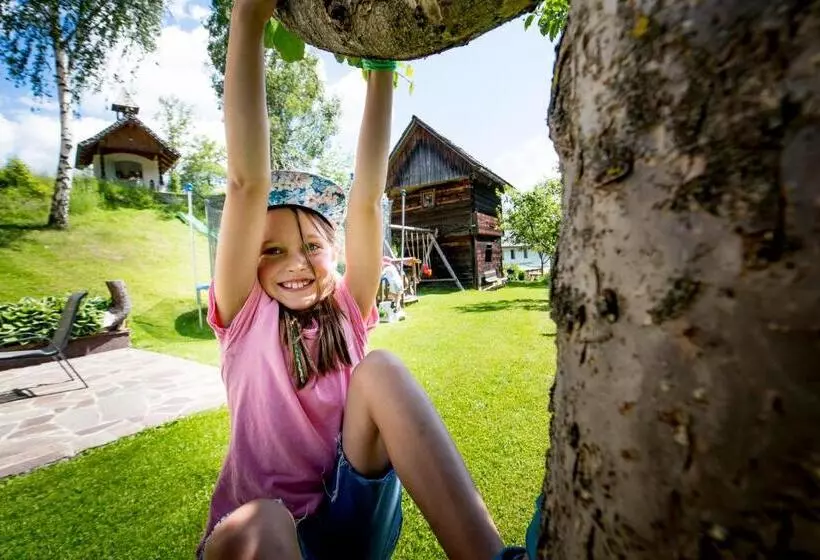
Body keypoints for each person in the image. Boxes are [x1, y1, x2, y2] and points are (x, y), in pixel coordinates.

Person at [197, 0, 528, 558]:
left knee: (382, 369)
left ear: (336, 253)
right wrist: (248, 18)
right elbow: (246, 183)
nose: (295, 263)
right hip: (265, 539)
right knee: (267, 522)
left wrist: (380, 70)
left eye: (311, 247)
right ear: (249, 264)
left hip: (347, 520)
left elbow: (369, 202)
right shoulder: (243, 316)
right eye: (270, 251)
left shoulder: (349, 310)